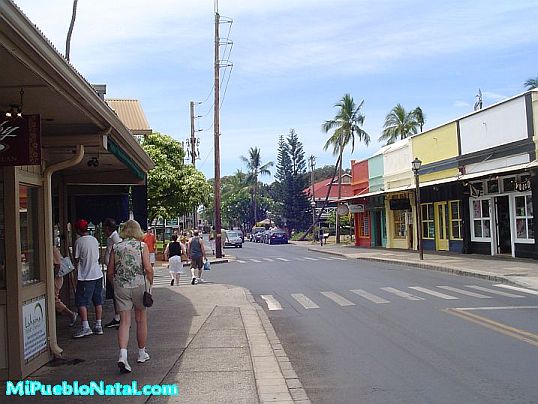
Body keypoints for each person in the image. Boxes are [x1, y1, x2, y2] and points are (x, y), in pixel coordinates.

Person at [107, 219, 153, 374]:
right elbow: (148, 268)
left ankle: (123, 355)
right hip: (139, 285)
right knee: (141, 319)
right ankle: (141, 353)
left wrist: (116, 286)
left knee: (124, 323)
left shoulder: (116, 247)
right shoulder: (142, 246)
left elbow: (110, 272)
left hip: (121, 287)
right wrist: (150, 283)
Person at [73, 219, 104, 338]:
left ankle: (85, 326)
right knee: (98, 300)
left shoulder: (79, 242)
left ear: (78, 230)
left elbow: (76, 258)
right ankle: (98, 324)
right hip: (98, 273)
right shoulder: (94, 239)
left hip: (86, 275)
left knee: (81, 301)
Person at [103, 218, 122, 328]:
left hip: (114, 271)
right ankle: (118, 316)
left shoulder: (115, 239)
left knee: (117, 294)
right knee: (114, 295)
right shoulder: (111, 238)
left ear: (107, 228)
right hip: (112, 270)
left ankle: (121, 317)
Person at [53, 245, 77, 326]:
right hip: (55, 277)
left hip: (56, 278)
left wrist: (53, 277)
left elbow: (58, 265)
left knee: (54, 299)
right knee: (54, 299)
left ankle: (70, 314)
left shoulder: (53, 249)